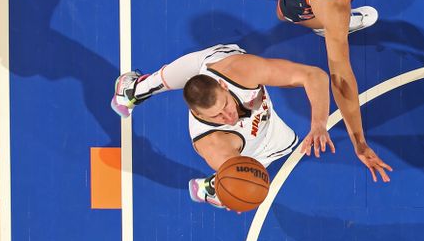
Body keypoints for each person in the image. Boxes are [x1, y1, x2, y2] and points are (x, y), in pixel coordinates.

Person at [111, 44, 333, 209]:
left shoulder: (241, 70)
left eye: (225, 104)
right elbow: (240, 177)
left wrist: (319, 124)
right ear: (196, 114)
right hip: (250, 143)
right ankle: (213, 188)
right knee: (241, 176)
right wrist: (236, 194)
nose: (228, 116)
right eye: (216, 116)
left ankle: (134, 90)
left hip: (214, 61)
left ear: (224, 86)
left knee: (170, 75)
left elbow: (314, 75)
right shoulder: (213, 143)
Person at [278, 0, 393, 183]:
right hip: (305, 0)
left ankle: (332, 29)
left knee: (286, 12)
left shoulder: (334, 3)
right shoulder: (332, 1)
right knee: (285, 12)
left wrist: (358, 141)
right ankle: (331, 29)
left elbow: (340, 78)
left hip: (310, 4)